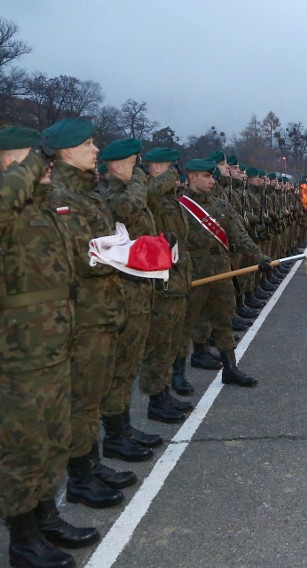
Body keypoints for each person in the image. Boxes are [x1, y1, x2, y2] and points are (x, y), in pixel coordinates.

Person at [1, 126, 100, 568]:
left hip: (57, 345)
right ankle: (22, 542)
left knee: (53, 439)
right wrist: (29, 169)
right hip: (18, 356)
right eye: (28, 158)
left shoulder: (42, 209)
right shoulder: (9, 205)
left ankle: (45, 519)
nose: (41, 165)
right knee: (23, 448)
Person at [44, 118, 136, 508]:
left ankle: (91, 464)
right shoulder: (60, 196)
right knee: (82, 400)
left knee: (93, 395)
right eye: (88, 144)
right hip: (83, 315)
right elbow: (81, 258)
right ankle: (80, 477)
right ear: (66, 151)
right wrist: (121, 252)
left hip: (102, 310)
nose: (96, 150)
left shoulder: (88, 193)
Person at [176, 158, 271, 388]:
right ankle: (177, 375)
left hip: (221, 272)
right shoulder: (179, 207)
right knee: (185, 324)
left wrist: (260, 258)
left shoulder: (221, 205)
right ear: (192, 178)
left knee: (223, 319)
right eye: (206, 176)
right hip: (194, 274)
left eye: (211, 176)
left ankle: (230, 368)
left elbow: (239, 235)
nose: (211, 180)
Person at [100, 138, 162, 459]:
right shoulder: (111, 194)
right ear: (116, 165)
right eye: (133, 163)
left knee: (130, 364)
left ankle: (123, 427)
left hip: (140, 286)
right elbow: (127, 210)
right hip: (124, 293)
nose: (138, 169)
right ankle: (113, 435)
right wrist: (139, 179)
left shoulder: (126, 190)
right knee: (120, 366)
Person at [137, 147, 195, 422]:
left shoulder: (170, 199)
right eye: (171, 168)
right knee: (158, 344)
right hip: (162, 283)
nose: (176, 175)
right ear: (157, 168)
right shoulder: (149, 193)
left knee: (170, 342)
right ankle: (155, 400)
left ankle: (163, 392)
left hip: (178, 279)